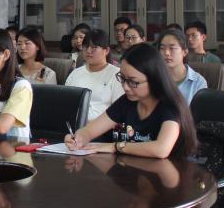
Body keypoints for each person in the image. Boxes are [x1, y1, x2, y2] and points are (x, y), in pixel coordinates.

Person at [64, 43, 197, 159]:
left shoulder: (170, 106)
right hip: (135, 170)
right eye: (122, 79)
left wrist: (116, 147)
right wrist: (78, 138)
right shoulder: (127, 101)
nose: (125, 87)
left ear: (154, 79)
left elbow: (161, 149)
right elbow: (90, 130)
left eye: (133, 82)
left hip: (171, 173)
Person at [65, 29, 123, 120]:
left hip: (102, 126)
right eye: (86, 46)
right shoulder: (75, 73)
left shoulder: (116, 75)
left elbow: (119, 111)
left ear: (106, 50)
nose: (88, 51)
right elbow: (65, 102)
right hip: (72, 123)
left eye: (94, 47)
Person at [158, 29, 207, 104]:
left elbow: (200, 110)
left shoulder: (198, 82)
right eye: (162, 48)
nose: (166, 53)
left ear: (184, 52)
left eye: (172, 48)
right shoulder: (154, 78)